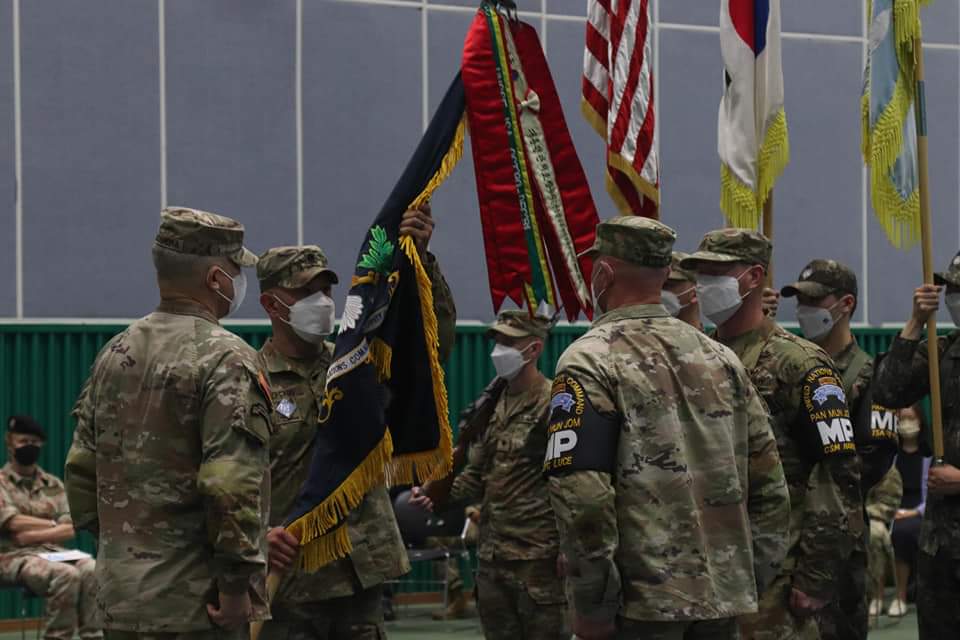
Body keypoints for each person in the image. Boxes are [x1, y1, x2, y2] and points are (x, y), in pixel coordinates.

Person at [546, 216, 790, 640]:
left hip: (641, 607)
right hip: (721, 600)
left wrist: (593, 603)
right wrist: (748, 581)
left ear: (602, 272)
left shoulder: (588, 359)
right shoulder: (722, 357)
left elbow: (583, 496)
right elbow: (771, 486)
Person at [66, 207, 272, 640]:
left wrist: (123, 554)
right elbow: (230, 485)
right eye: (237, 269)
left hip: (119, 598)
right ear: (217, 279)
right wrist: (236, 586)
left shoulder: (114, 352)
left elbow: (81, 472)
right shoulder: (227, 358)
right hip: (197, 606)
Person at [261, 206, 457, 640]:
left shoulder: (358, 363)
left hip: (359, 568)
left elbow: (429, 347)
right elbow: (228, 477)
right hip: (289, 578)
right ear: (271, 304)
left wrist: (419, 260)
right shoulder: (246, 377)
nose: (321, 303)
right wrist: (254, 540)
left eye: (324, 290)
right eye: (304, 293)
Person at [680, 229, 863, 640]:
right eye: (701, 273)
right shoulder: (697, 356)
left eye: (717, 272)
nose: (704, 284)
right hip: (704, 573)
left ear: (753, 277)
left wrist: (814, 575)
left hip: (774, 578)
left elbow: (837, 473)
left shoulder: (800, 363)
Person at [410, 309, 566, 640]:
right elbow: (476, 472)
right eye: (496, 340)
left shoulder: (554, 404)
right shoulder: (491, 406)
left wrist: (570, 548)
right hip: (492, 556)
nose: (498, 349)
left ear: (534, 349)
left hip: (537, 557)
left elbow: (569, 484)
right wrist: (435, 494)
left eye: (509, 342)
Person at [780, 259, 899, 640]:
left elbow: (871, 462)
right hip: (783, 537)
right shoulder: (790, 364)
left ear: (845, 304)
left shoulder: (869, 374)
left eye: (816, 301)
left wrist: (804, 481)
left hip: (838, 543)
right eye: (800, 301)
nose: (804, 311)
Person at [872, 252, 960, 638]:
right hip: (941, 547)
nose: (955, 296)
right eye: (952, 288)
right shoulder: (944, 351)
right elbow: (888, 392)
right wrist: (914, 323)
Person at [0, 416, 100, 640]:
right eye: (23, 441)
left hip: (52, 553)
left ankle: (93, 636)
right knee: (66, 575)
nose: (30, 447)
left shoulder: (53, 484)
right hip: (10, 557)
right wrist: (54, 523)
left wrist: (32, 534)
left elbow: (72, 526)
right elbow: (11, 522)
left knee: (93, 569)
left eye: (35, 443)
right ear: (9, 442)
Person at [887, 406, 931, 619]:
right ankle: (900, 596)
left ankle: (917, 590)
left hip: (920, 510)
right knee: (898, 532)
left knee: (907, 530)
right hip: (896, 509)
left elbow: (931, 495)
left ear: (920, 422)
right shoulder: (892, 456)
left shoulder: (928, 455)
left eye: (910, 418)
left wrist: (912, 513)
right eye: (902, 419)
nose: (906, 423)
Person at [865, 466, 902, 619]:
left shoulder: (883, 463)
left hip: (873, 518)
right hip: (838, 517)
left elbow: (888, 503)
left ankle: (875, 594)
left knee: (873, 535)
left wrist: (863, 515)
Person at [661, 251, 701, 330]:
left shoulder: (715, 339)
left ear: (696, 292)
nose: (658, 291)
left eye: (667, 285)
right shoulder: (636, 336)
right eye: (656, 284)